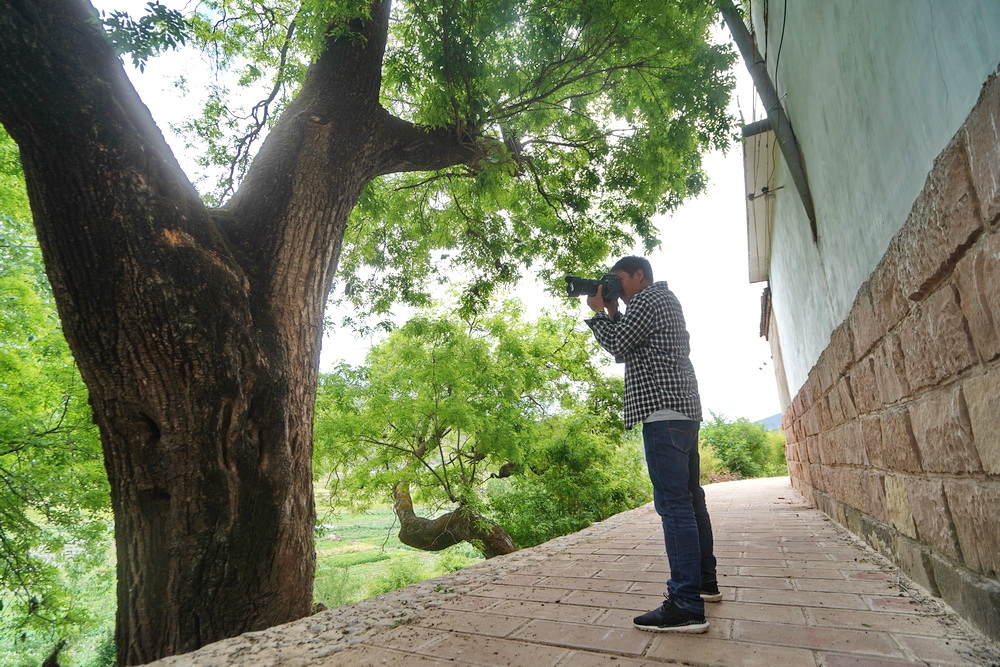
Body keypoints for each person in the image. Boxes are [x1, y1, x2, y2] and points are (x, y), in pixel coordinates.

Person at [583, 256, 719, 633]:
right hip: (682, 412)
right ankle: (704, 584)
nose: (615, 286)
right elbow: (626, 348)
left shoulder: (648, 299)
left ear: (639, 275)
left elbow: (619, 344)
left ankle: (685, 605)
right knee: (690, 500)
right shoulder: (661, 301)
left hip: (663, 415)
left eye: (618, 279)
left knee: (674, 506)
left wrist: (597, 313)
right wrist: (612, 309)